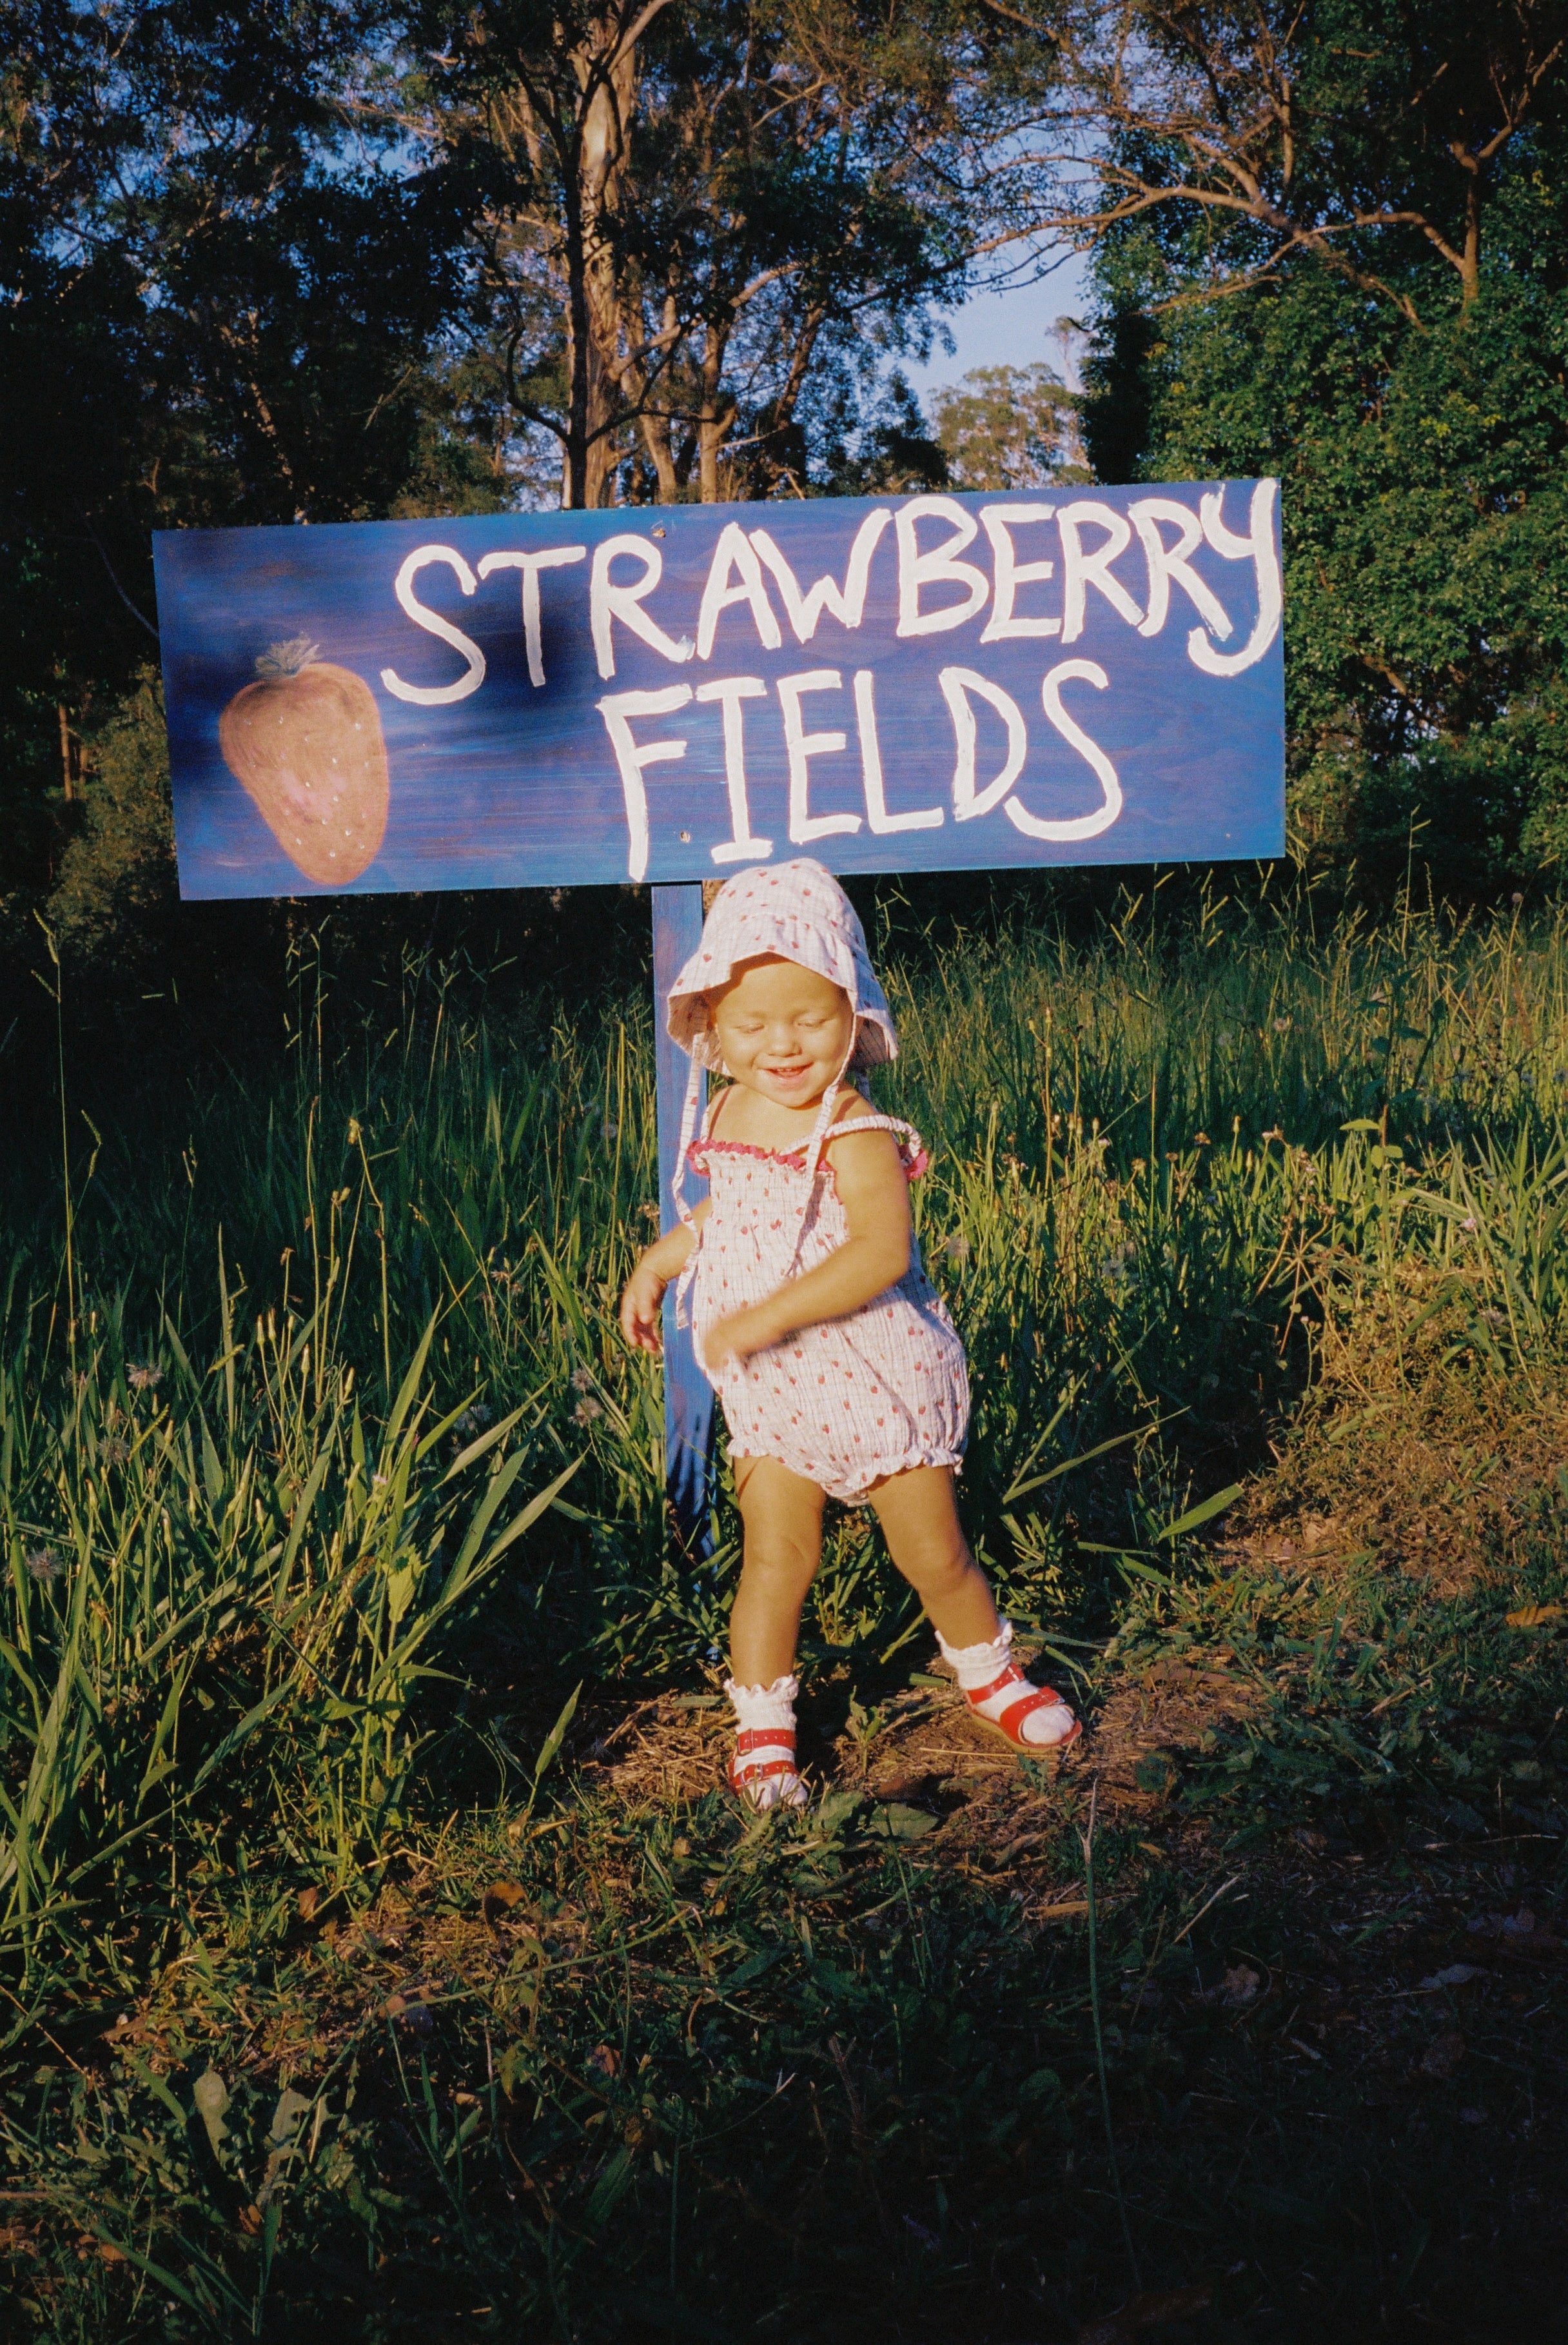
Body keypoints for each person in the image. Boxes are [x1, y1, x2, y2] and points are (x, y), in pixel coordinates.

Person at [619, 860, 1081, 1810]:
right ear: (714, 1028)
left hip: (877, 1377)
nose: (783, 1046)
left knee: (933, 1555)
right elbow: (732, 1216)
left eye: (810, 1020)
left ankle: (987, 1672)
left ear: (854, 1012)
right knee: (776, 1559)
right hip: (775, 1395)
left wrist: (765, 1316)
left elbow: (879, 1251)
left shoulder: (854, 1128)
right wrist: (662, 1261)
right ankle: (764, 1727)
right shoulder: (740, 1111)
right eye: (753, 1026)